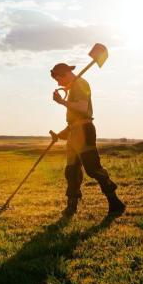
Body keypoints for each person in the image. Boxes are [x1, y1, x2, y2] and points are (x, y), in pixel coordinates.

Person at [50, 62, 125, 215]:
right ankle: (71, 206)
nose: (58, 83)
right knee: (71, 171)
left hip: (84, 131)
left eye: (58, 79)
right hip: (74, 131)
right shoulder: (73, 87)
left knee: (93, 168)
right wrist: (64, 132)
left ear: (64, 74)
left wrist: (62, 102)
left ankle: (115, 202)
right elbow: (75, 117)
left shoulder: (81, 84)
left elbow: (83, 109)